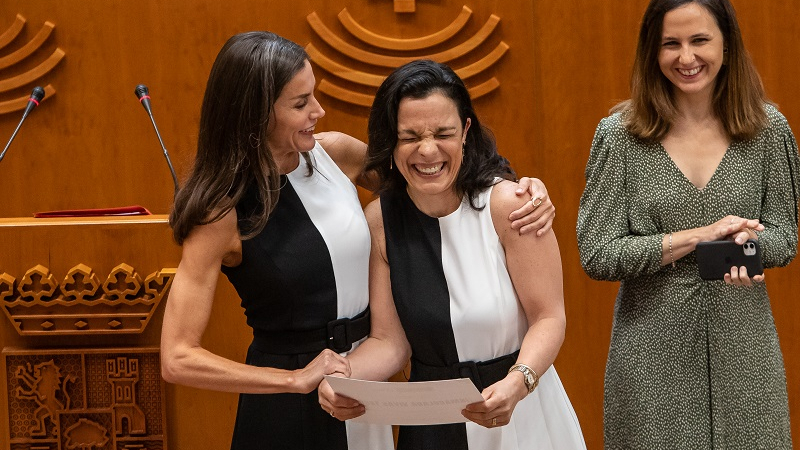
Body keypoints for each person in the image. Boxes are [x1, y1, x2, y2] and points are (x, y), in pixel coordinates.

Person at [160, 33, 556, 450]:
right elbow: (177, 357)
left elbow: (433, 171)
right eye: (300, 104)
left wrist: (522, 187)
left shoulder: (335, 154)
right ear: (255, 114)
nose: (318, 111)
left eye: (312, 95)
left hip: (365, 382)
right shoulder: (221, 213)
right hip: (290, 400)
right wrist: (292, 381)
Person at [319, 59, 586, 450]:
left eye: (442, 133)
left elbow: (548, 316)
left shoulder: (510, 205)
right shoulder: (380, 220)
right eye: (410, 136)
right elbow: (391, 343)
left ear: (465, 131)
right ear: (390, 140)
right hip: (431, 423)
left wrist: (520, 380)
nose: (427, 151)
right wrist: (343, 377)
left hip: (518, 408)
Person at [576, 1, 798, 448]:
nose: (686, 58)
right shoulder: (620, 135)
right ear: (651, 53)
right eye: (670, 44)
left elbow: (785, 236)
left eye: (700, 40)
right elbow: (597, 253)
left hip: (745, 350)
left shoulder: (767, 128)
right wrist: (695, 237)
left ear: (727, 45)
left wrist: (748, 246)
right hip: (651, 358)